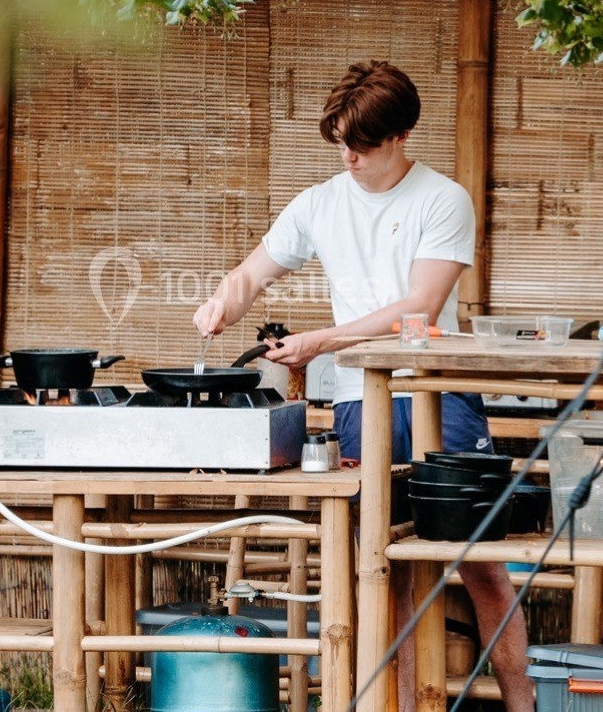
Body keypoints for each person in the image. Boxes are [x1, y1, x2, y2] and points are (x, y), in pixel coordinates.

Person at [193, 60, 534, 712]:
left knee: (483, 567)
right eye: (340, 142)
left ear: (401, 135)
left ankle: (524, 706)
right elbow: (255, 269)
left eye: (362, 144)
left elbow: (419, 311)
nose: (348, 157)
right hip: (360, 403)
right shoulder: (319, 202)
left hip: (441, 395)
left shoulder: (442, 199)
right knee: (385, 571)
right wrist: (220, 303)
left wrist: (321, 340)